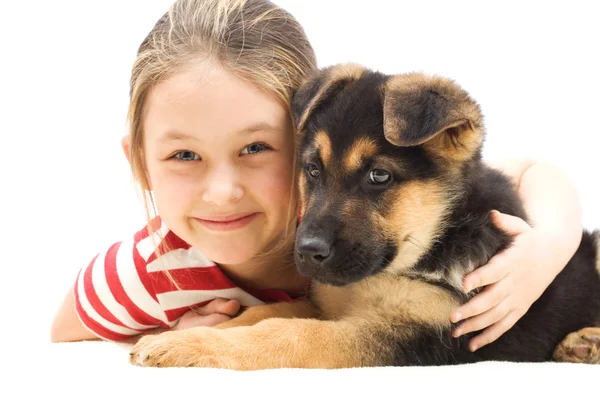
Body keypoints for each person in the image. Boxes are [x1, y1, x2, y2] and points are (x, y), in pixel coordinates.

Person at [50, 0, 583, 354]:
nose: (222, 191)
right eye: (184, 155)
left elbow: (533, 172)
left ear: (293, 134)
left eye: (256, 148)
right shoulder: (146, 273)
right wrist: (176, 329)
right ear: (141, 162)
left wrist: (548, 250)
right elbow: (61, 333)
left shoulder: (415, 203)